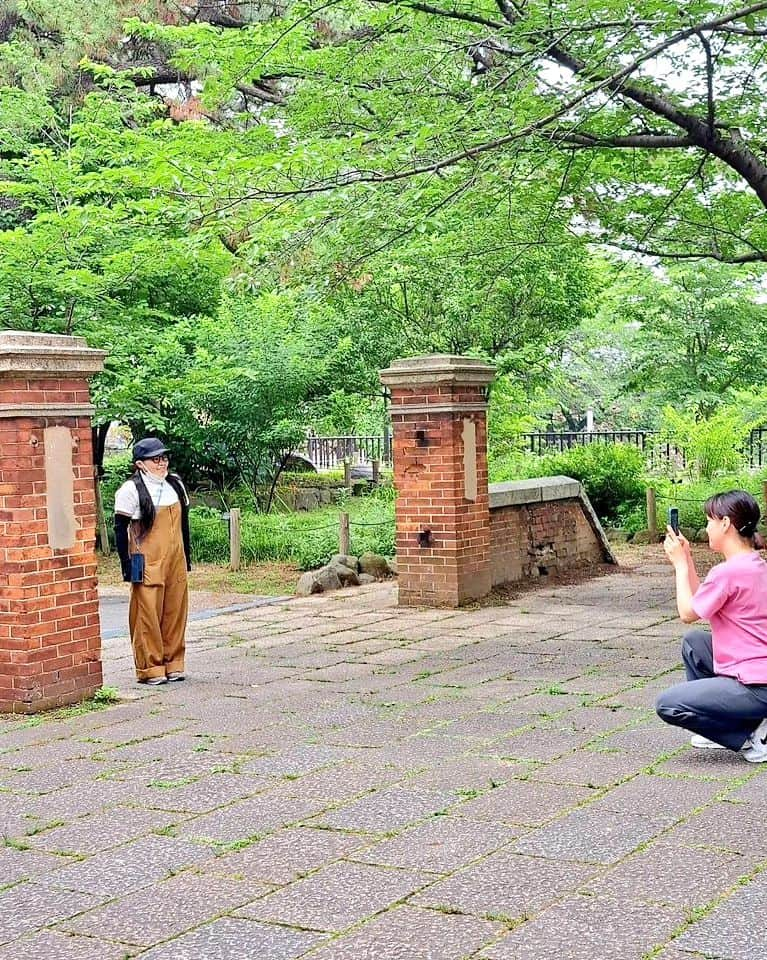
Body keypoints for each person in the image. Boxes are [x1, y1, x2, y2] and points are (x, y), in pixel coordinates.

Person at [656, 490, 767, 762]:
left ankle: (753, 734)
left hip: (755, 686)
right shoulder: (754, 565)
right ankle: (728, 726)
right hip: (758, 675)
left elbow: (686, 612)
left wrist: (680, 566)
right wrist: (688, 560)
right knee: (695, 643)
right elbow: (699, 603)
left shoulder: (727, 573)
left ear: (726, 524)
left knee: (667, 704)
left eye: (709, 521)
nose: (706, 528)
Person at [114, 437, 191, 685]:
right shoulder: (130, 490)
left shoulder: (175, 484)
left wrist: (186, 558)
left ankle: (174, 663)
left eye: (164, 458)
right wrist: (127, 567)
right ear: (140, 464)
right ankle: (150, 668)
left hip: (175, 559)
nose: (162, 463)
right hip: (146, 559)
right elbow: (119, 529)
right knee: (147, 614)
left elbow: (184, 525)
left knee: (175, 610)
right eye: (155, 459)